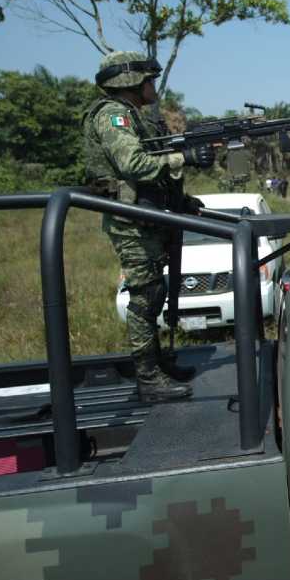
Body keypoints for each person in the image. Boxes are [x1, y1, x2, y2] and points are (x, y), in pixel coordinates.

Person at [82, 50, 215, 402]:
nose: (153, 86)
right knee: (145, 297)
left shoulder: (133, 116)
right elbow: (134, 164)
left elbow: (151, 170)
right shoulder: (113, 117)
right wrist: (183, 158)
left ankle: (157, 365)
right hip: (131, 222)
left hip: (147, 216)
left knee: (154, 292)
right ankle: (148, 378)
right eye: (148, 80)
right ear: (130, 82)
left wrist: (182, 202)